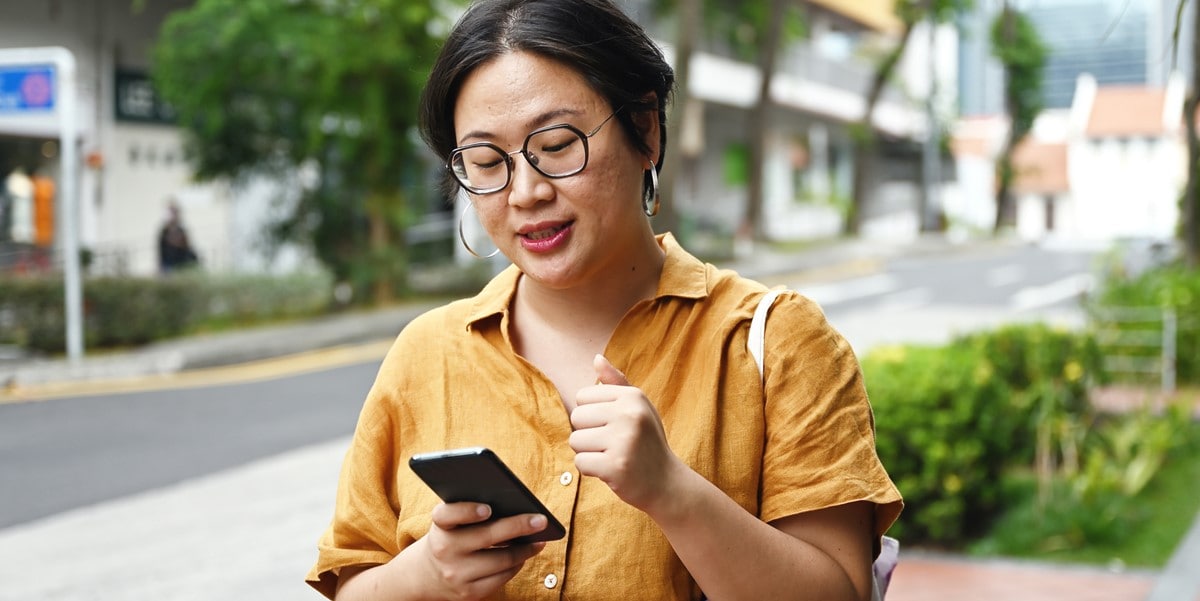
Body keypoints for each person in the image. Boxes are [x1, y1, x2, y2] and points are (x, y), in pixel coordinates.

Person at [307, 1, 902, 599]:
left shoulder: (772, 340)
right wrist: (428, 574)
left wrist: (672, 492)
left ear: (644, 128)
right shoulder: (426, 353)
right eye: (487, 162)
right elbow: (355, 580)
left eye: (559, 144)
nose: (526, 193)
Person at [158, 200, 198, 273]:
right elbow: (162, 251)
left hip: (181, 264)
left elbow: (186, 246)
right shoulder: (164, 231)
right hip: (168, 265)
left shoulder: (181, 230)